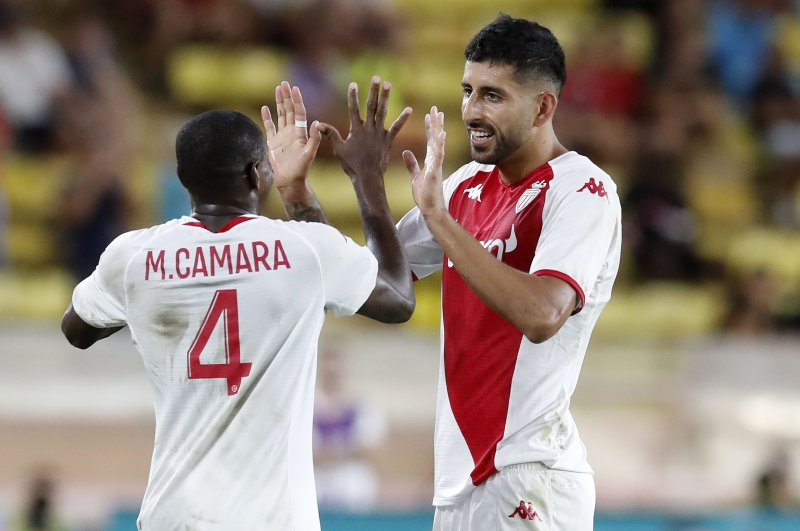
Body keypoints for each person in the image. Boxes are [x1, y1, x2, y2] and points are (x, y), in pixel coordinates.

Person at [285, 15, 622, 530]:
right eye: (468, 91)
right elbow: (376, 284)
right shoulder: (465, 187)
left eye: (493, 95)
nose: (471, 110)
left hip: (530, 475)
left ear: (543, 107)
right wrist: (323, 191)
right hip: (461, 485)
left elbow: (543, 313)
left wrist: (439, 220)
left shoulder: (582, 190)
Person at [60, 79, 414, 530]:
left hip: (174, 517)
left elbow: (77, 329)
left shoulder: (133, 257)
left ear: (184, 178)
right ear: (255, 174)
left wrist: (156, 296)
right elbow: (397, 300)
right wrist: (355, 179)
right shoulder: (303, 252)